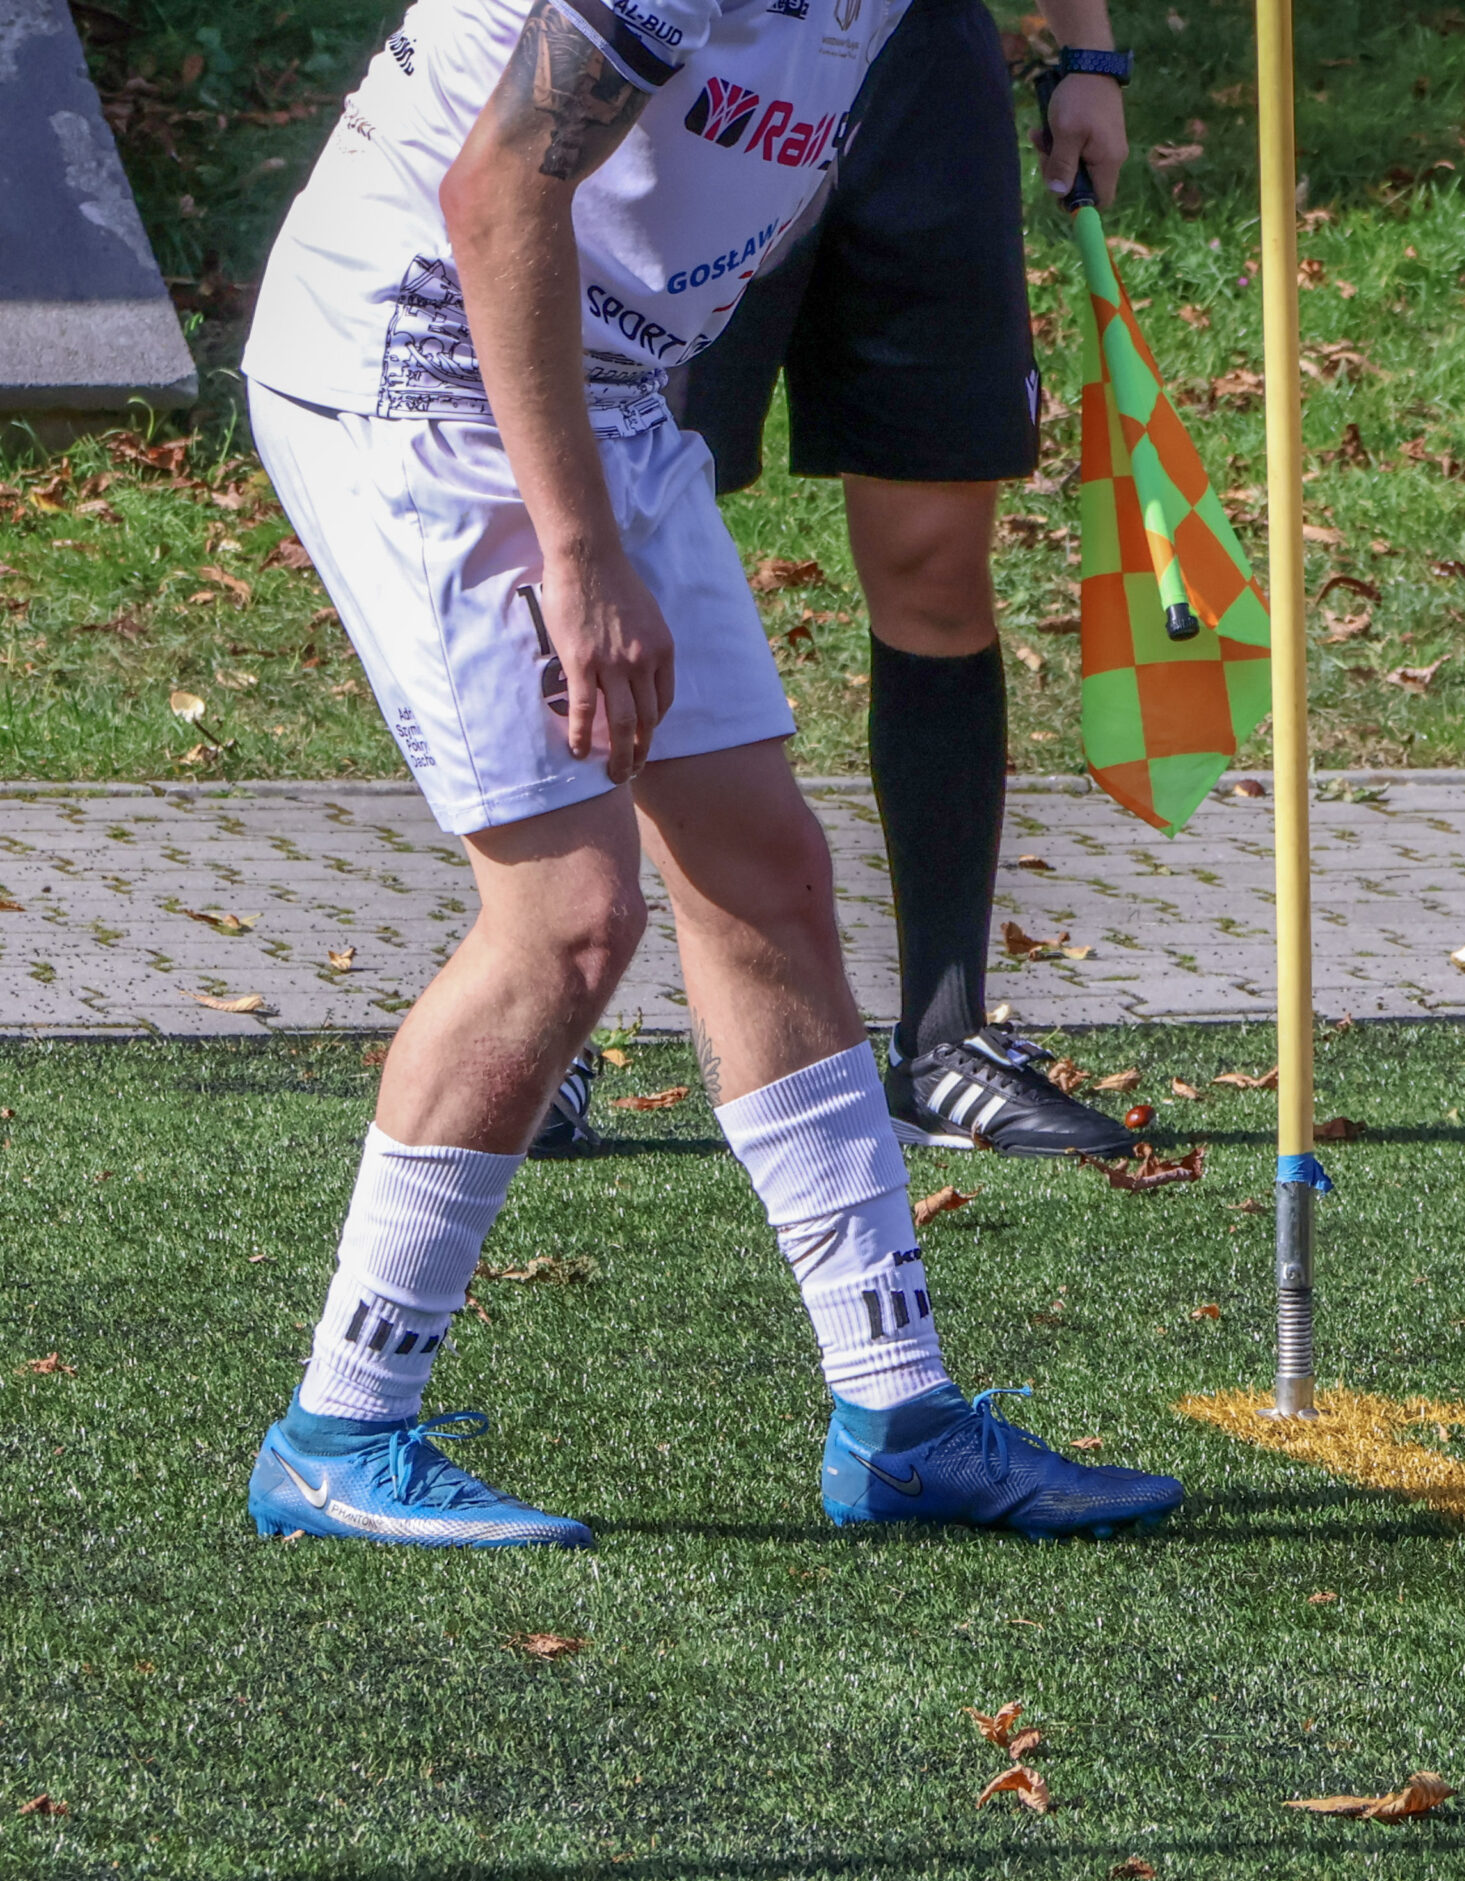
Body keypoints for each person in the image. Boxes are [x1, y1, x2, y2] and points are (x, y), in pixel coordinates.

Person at [233, 0, 1182, 1546]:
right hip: (420, 372)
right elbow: (496, 191)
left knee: (768, 881)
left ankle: (900, 1417)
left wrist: (1090, 62)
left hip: (603, 386)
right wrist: (580, 552)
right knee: (569, 919)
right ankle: (338, 1429)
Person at [529, 0, 1138, 1163]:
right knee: (622, 520)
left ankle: (945, 1040)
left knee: (935, 560)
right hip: (707, 61)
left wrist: (1089, 52)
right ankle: (550, 1016)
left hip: (918, 73)